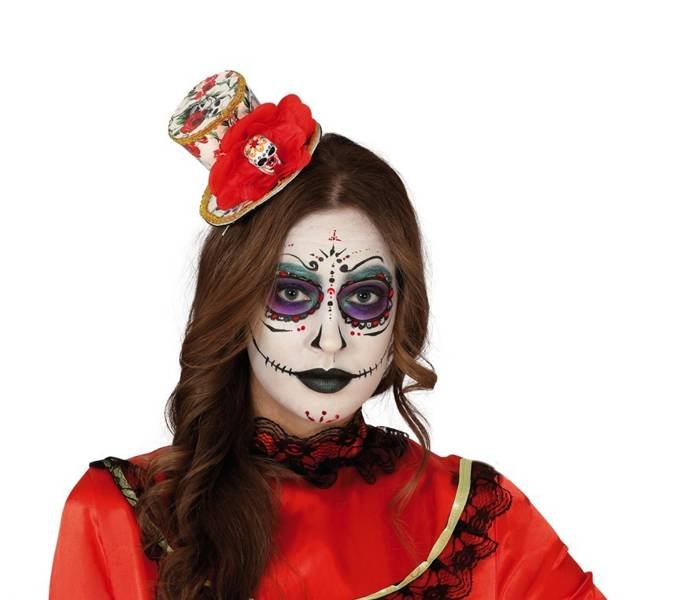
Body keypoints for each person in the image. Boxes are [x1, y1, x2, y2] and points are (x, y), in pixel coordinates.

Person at [49, 69, 606, 600]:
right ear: (235, 303)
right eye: (293, 293)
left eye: (364, 298)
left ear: (403, 310)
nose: (331, 340)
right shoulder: (119, 516)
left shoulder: (478, 518)